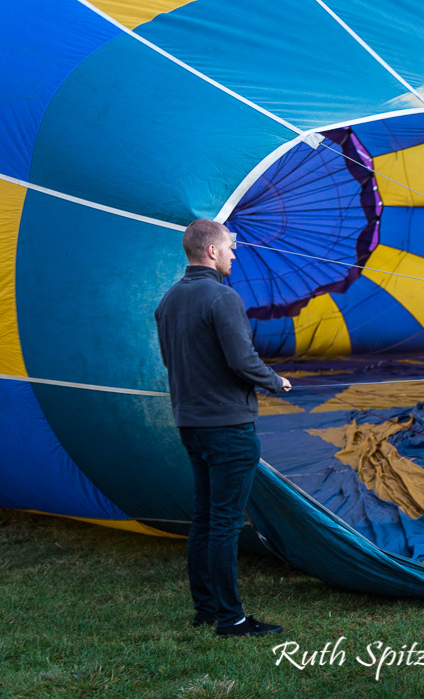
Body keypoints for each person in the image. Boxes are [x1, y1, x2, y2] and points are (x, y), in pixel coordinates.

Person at [155, 218, 292, 638]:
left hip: (191, 425)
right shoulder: (222, 297)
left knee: (205, 519)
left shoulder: (168, 300)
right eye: (230, 247)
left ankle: (206, 609)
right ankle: (231, 619)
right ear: (211, 251)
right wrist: (276, 382)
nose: (234, 254)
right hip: (228, 427)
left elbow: (170, 362)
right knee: (226, 523)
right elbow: (241, 360)